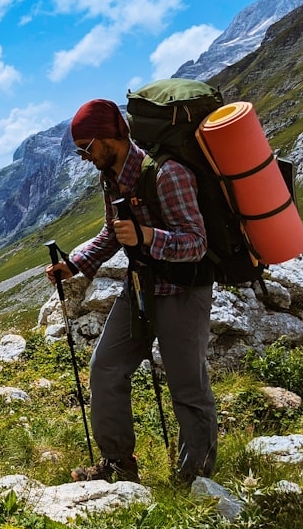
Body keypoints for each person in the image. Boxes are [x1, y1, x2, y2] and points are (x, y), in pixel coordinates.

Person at [45, 98, 218, 485]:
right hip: (140, 286)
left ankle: (197, 479)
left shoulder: (167, 174)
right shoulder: (112, 176)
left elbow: (196, 242)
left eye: (86, 148)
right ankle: (118, 464)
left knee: (188, 386)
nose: (85, 157)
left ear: (110, 138)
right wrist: (73, 264)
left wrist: (146, 236)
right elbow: (112, 232)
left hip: (183, 290)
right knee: (105, 366)